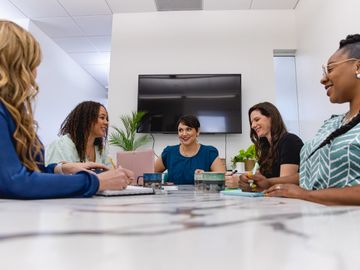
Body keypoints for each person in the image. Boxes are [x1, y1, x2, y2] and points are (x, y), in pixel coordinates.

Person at [0, 20, 134, 199]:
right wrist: (96, 182)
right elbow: (15, 182)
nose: (34, 75)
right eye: (32, 65)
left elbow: (33, 170)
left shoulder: (12, 113)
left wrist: (61, 168)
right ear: (14, 66)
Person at [264, 34, 360, 205]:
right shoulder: (331, 123)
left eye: (330, 69)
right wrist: (269, 183)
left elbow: (306, 191)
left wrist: (305, 195)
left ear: (358, 67)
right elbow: (311, 173)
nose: (323, 79)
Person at [226, 102, 303, 190]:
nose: (253, 126)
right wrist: (246, 179)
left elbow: (285, 184)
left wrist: (251, 183)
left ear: (271, 117)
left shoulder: (290, 141)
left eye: (257, 119)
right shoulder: (266, 149)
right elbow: (259, 177)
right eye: (251, 122)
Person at [154, 115, 225, 185]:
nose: (184, 134)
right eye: (180, 130)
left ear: (197, 132)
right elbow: (152, 173)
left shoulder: (209, 152)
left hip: (201, 196)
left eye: (188, 129)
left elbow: (223, 178)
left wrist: (206, 175)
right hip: (173, 196)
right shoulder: (169, 152)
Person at [46, 101, 111, 167]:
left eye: (107, 119)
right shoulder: (61, 146)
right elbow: (55, 174)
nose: (106, 122)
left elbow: (111, 172)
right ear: (86, 119)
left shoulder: (101, 149)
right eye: (102, 118)